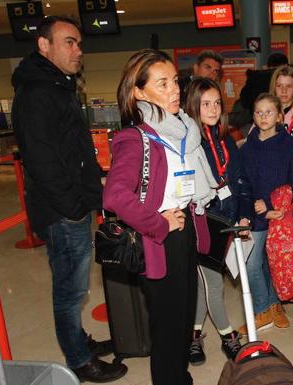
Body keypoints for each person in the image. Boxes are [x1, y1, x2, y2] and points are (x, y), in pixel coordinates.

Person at [11, 16, 127, 383]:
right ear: (44, 46)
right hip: (62, 212)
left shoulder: (57, 86)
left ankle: (80, 341)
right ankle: (79, 360)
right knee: (70, 290)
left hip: (72, 206)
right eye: (69, 42)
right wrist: (74, 207)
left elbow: (72, 150)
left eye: (79, 43)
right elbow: (43, 161)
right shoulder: (36, 93)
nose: (78, 50)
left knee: (74, 288)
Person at [103, 49, 218, 385]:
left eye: (175, 82)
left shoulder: (181, 130)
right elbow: (114, 196)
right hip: (159, 240)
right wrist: (159, 222)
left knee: (183, 321)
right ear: (139, 92)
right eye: (163, 84)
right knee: (168, 327)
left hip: (183, 232)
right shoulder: (134, 138)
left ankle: (178, 378)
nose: (175, 90)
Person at [183, 77, 252, 365]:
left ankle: (193, 336)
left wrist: (244, 213)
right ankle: (228, 337)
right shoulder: (188, 144)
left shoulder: (227, 141)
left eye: (216, 104)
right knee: (214, 284)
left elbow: (242, 182)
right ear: (193, 107)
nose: (212, 110)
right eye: (205, 104)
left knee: (202, 284)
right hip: (201, 223)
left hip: (227, 221)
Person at [238, 93, 293, 335]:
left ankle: (275, 306)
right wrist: (255, 206)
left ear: (279, 116)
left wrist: (281, 208)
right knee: (252, 263)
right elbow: (243, 183)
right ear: (253, 116)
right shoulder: (247, 148)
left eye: (269, 112)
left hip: (281, 215)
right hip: (257, 215)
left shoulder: (288, 145)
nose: (263, 117)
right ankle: (262, 309)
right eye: (258, 112)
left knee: (273, 263)